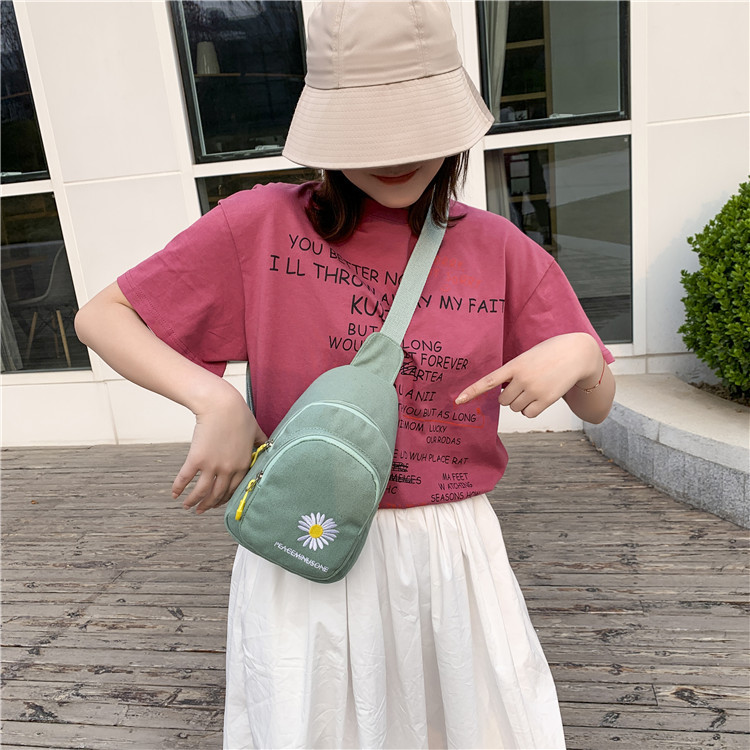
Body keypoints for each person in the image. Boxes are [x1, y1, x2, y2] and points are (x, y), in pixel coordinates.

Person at [75, 1, 615, 748]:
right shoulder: (261, 225)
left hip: (447, 557)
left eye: (415, 124)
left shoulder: (499, 249)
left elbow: (597, 405)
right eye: (367, 129)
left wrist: (583, 354)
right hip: (306, 540)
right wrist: (213, 399)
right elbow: (103, 316)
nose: (394, 154)